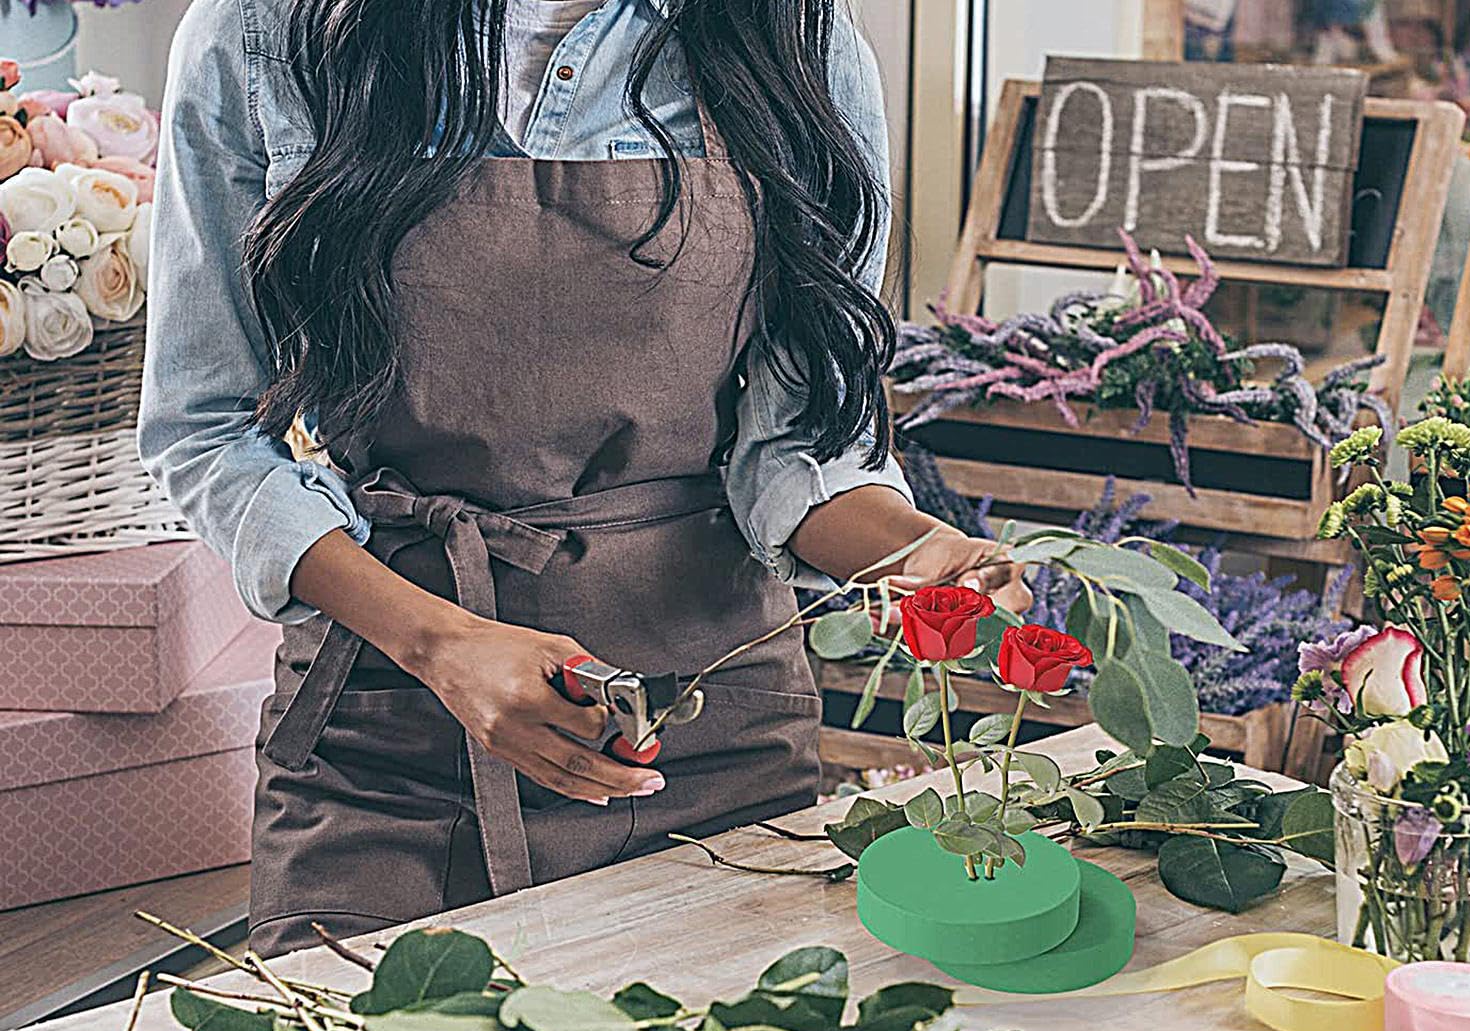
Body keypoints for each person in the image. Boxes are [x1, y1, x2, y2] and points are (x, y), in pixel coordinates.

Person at [140, 0, 1027, 957]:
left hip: (714, 740)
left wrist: (907, 552)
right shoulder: (268, 32)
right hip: (390, 747)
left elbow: (799, 447)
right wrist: (443, 646)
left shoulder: (793, 38)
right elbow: (208, 429)